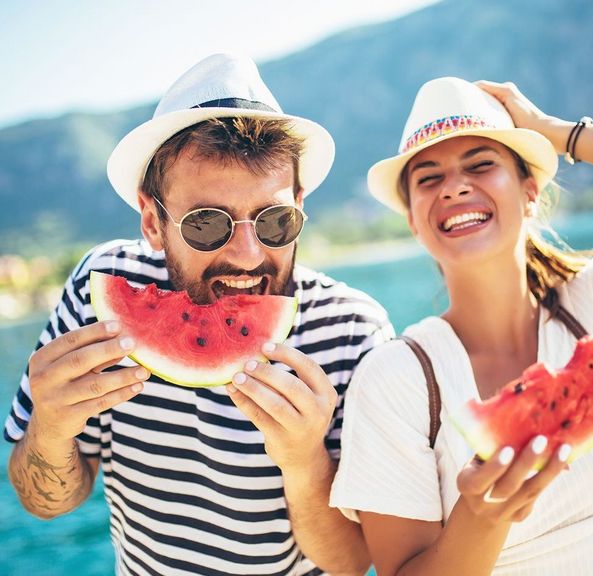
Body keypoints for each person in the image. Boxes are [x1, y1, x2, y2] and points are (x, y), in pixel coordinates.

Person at [329, 76, 593, 575]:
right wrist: (481, 519)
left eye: (481, 165)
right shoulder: (396, 378)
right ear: (413, 222)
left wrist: (556, 132)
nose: (456, 186)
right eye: (428, 178)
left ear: (530, 191)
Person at [5, 53, 394, 576]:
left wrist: (305, 463)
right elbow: (44, 503)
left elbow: (352, 562)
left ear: (301, 206)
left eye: (276, 221)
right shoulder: (98, 288)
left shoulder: (352, 331)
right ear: (152, 222)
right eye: (207, 224)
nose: (249, 256)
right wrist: (49, 429)